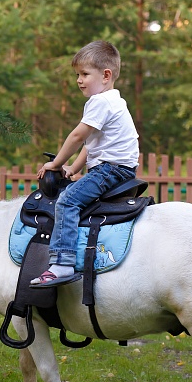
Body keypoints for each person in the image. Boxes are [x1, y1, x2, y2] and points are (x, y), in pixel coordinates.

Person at [30, 40, 139, 288]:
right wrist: (73, 168)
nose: (79, 80)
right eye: (77, 75)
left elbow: (78, 137)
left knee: (67, 200)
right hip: (117, 167)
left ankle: (62, 264)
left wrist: (56, 164)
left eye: (85, 74)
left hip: (111, 169)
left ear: (106, 75)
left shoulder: (101, 102)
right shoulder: (113, 100)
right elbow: (90, 144)